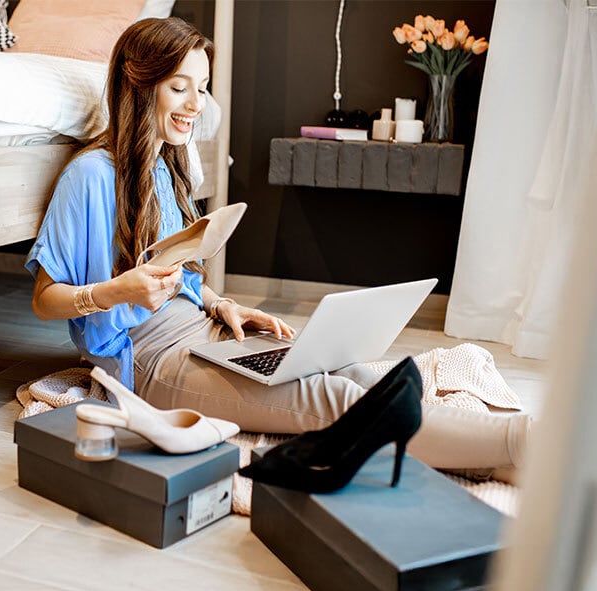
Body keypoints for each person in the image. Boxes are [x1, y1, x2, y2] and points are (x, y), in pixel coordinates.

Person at [28, 16, 529, 482]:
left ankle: (496, 460)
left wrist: (224, 305)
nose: (195, 105)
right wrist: (112, 294)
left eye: (200, 89)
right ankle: (526, 446)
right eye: (179, 88)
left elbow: (177, 275)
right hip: (152, 359)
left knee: (344, 369)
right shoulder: (90, 176)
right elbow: (44, 300)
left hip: (206, 329)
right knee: (332, 397)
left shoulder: (167, 166)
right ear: (139, 85)